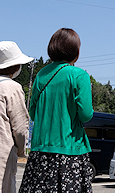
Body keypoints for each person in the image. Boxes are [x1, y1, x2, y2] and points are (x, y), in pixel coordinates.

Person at [19, 28, 94, 193]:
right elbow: (86, 114)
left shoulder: (41, 75)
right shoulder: (79, 75)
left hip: (40, 152)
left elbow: (32, 113)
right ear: (76, 51)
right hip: (69, 152)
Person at [0, 41, 33, 193]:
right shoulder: (12, 87)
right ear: (14, 66)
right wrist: (21, 150)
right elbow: (20, 127)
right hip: (3, 153)